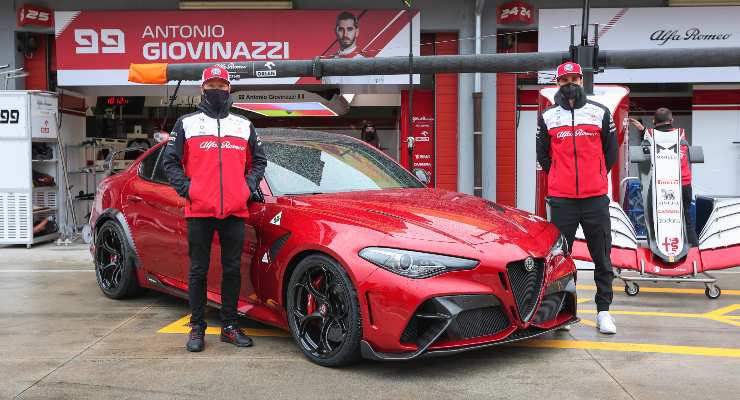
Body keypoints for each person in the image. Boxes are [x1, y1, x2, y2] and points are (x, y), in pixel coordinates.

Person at [163, 65, 267, 352]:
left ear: (229, 89)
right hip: (199, 210)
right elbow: (169, 162)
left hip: (234, 210)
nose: (217, 90)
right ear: (202, 89)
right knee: (198, 270)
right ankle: (197, 328)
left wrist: (246, 188)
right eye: (212, 86)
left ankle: (230, 327)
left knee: (232, 270)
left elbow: (259, 161)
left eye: (222, 86)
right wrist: (189, 190)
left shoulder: (244, 125)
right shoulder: (186, 123)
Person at [536, 61, 618, 334]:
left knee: (602, 256)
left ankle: (604, 311)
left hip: (595, 198)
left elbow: (611, 154)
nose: (570, 83)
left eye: (574, 78)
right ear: (557, 85)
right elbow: (543, 156)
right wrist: (560, 177)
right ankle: (561, 311)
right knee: (559, 258)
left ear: (582, 81)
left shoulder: (600, 113)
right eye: (564, 79)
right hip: (562, 200)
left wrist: (595, 176)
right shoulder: (547, 117)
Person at [629, 108, 698, 246]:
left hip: (660, 186)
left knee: (653, 218)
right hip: (683, 184)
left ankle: (656, 250)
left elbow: (649, 135)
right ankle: (694, 252)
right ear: (671, 121)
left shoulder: (650, 134)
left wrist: (642, 129)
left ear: (654, 121)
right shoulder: (681, 133)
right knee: (685, 218)